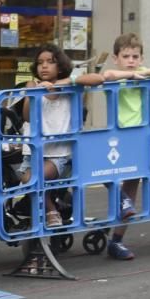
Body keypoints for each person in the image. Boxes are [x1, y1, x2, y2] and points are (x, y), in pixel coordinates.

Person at [100, 33, 150, 260]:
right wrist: (132, 74)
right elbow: (108, 75)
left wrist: (145, 73)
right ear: (116, 58)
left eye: (135, 56)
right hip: (117, 138)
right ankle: (119, 201)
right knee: (107, 174)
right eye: (126, 56)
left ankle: (116, 240)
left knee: (131, 189)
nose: (131, 60)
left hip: (143, 138)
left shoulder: (145, 75)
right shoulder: (118, 76)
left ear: (142, 57)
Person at [20, 44, 104, 228]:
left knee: (36, 178)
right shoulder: (33, 86)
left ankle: (51, 211)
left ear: (60, 66)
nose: (44, 66)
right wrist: (32, 93)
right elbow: (26, 116)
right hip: (34, 153)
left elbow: (98, 78)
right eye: (40, 62)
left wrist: (63, 83)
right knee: (27, 179)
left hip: (59, 155)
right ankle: (52, 209)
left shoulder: (70, 87)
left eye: (50, 62)